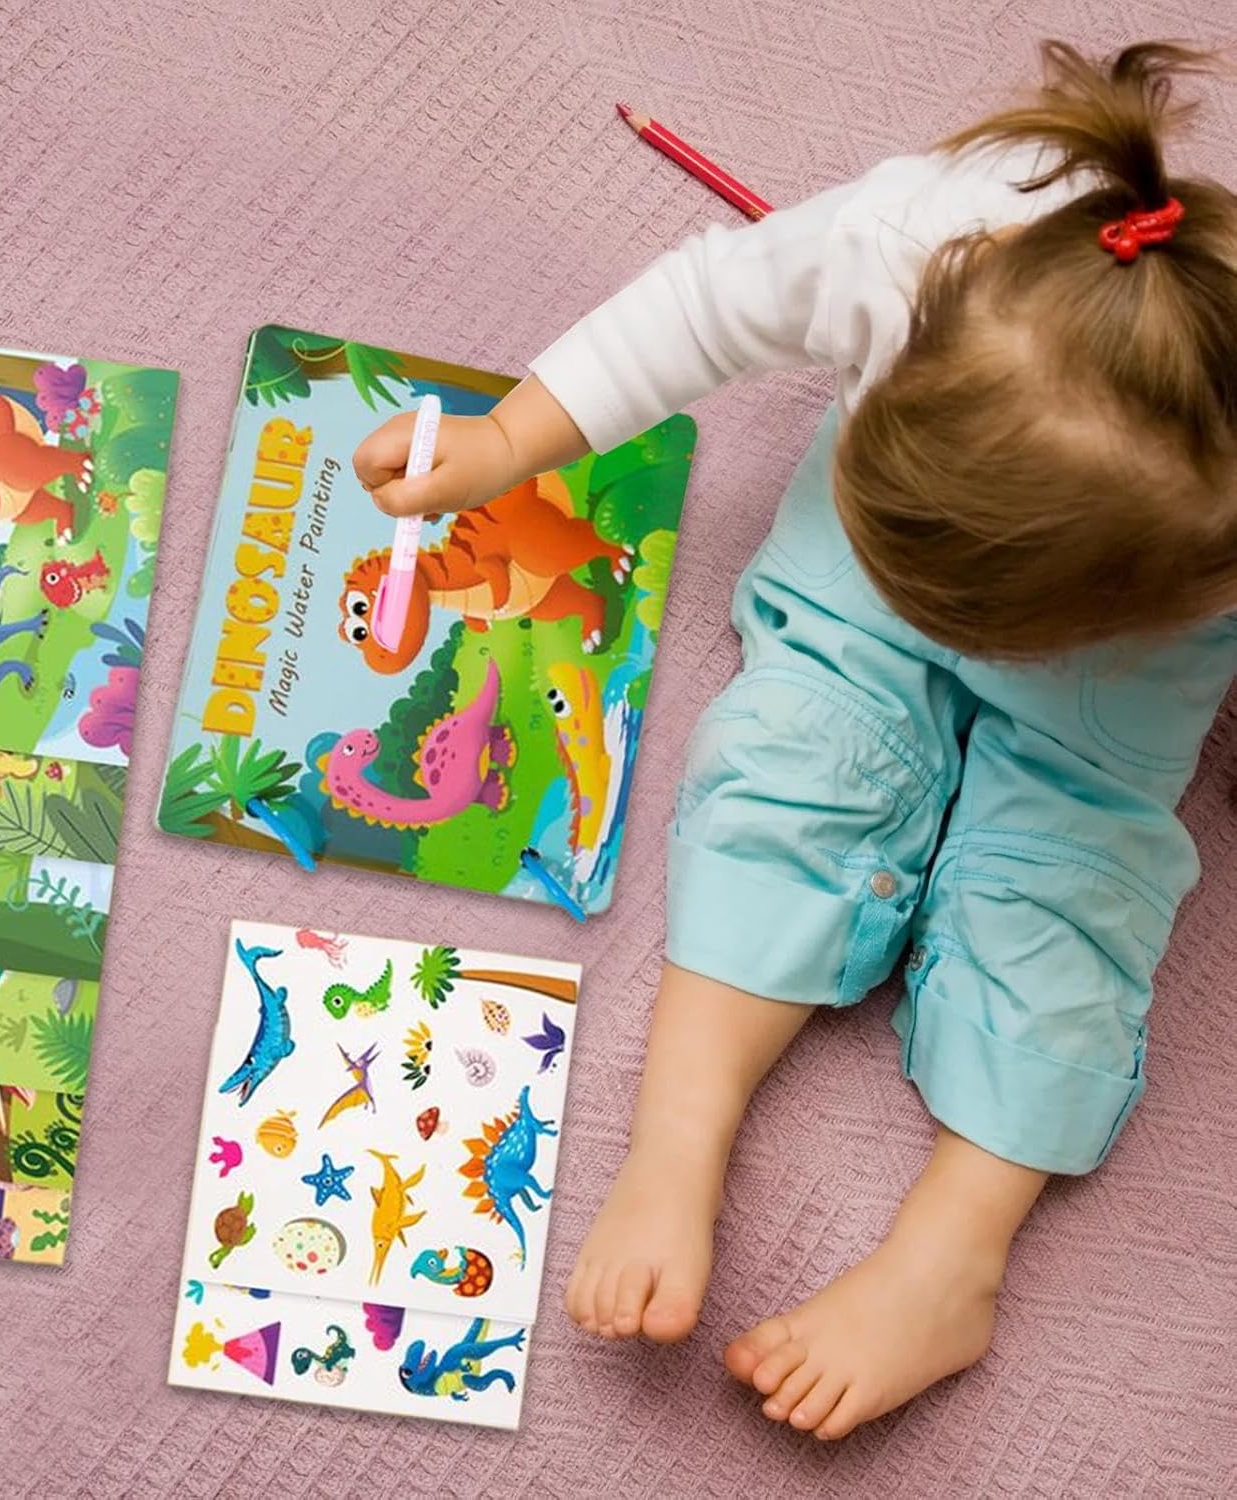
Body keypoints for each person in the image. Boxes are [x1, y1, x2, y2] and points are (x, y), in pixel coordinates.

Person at [352, 42, 1237, 1439]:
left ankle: (952, 1256)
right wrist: (512, 440)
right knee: (782, 769)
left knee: (1073, 907)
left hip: (1123, 674)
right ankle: (680, 1135)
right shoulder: (911, 240)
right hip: (865, 578)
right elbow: (703, 307)